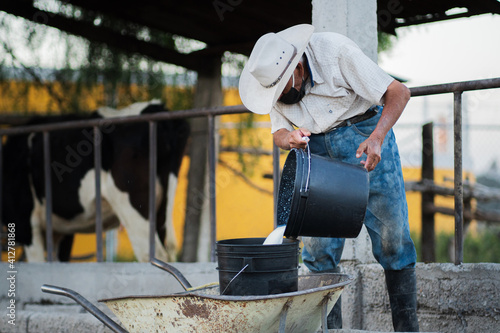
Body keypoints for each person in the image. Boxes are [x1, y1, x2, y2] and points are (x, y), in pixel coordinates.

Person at [238, 24, 419, 332]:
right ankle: (332, 330)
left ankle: (407, 329)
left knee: (393, 241)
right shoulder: (272, 83)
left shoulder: (335, 52)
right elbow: (278, 133)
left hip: (364, 138)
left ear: (296, 67)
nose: (281, 96)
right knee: (318, 253)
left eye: (284, 88)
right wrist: (290, 139)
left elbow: (399, 92)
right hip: (317, 155)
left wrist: (378, 136)